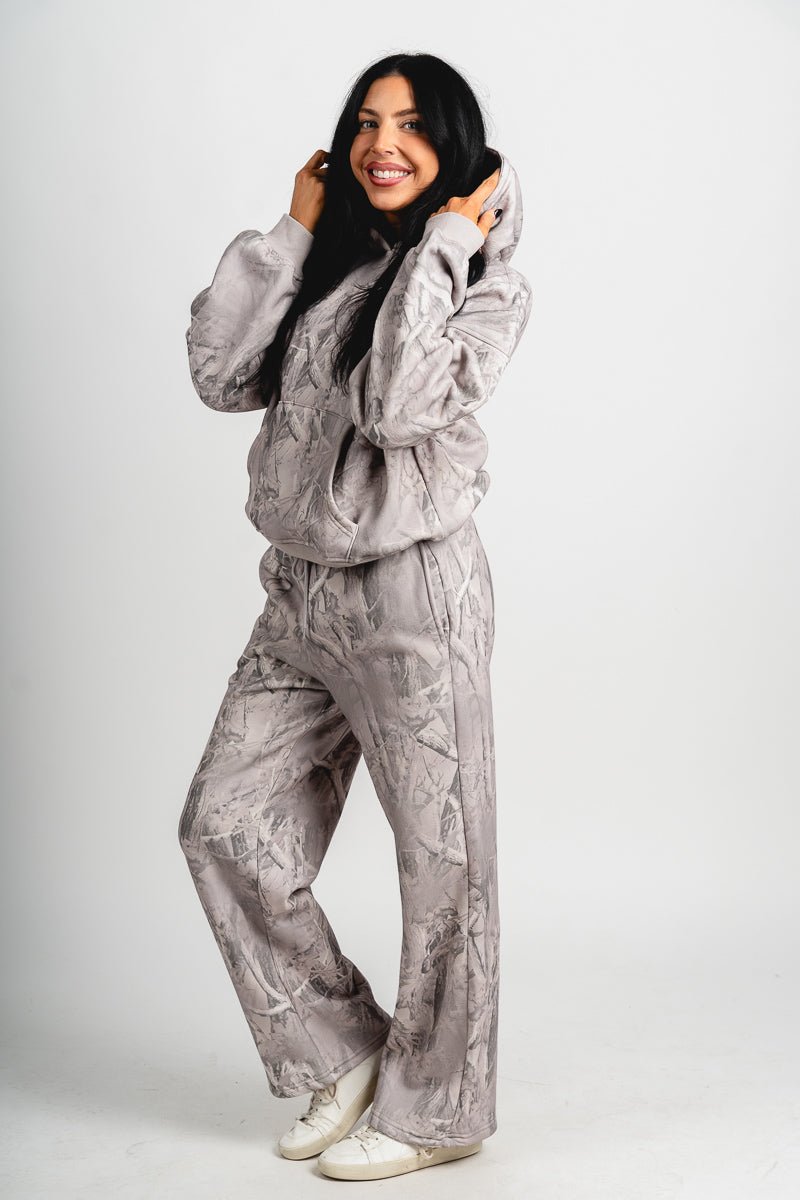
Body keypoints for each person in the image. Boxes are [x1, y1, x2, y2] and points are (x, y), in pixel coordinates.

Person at [178, 51, 533, 1182]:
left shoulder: (482, 284)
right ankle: (343, 1048)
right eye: (368, 123)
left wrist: (446, 242)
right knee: (223, 825)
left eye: (413, 126)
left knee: (444, 866)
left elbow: (395, 407)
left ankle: (441, 1110)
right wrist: (293, 232)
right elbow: (218, 373)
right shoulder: (332, 264)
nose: (384, 144)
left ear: (456, 151)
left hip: (411, 598)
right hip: (299, 592)